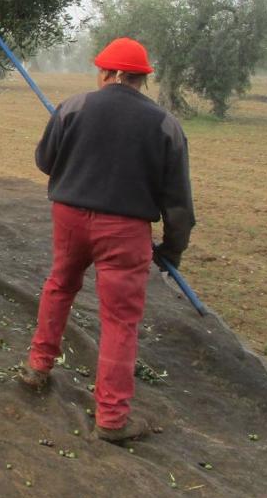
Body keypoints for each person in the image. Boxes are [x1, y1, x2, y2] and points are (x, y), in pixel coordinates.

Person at [19, 37, 194, 442]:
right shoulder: (166, 125)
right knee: (119, 320)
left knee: (60, 285)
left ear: (106, 73)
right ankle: (112, 418)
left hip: (70, 219)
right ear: (140, 79)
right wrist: (172, 249)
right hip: (125, 230)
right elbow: (178, 201)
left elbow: (45, 161)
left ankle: (37, 367)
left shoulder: (73, 107)